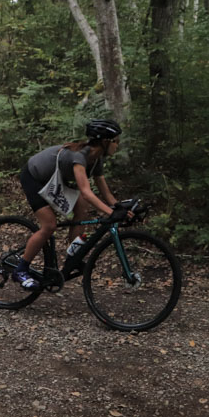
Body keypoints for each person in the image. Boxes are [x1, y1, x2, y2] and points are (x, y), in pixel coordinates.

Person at [12, 119, 127, 290]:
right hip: (34, 177)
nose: (118, 145)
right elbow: (87, 192)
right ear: (105, 142)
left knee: (82, 207)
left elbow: (105, 192)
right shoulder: (79, 157)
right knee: (49, 225)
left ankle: (73, 257)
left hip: (55, 180)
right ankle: (21, 269)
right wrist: (110, 213)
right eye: (116, 141)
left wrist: (119, 207)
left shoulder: (96, 160)